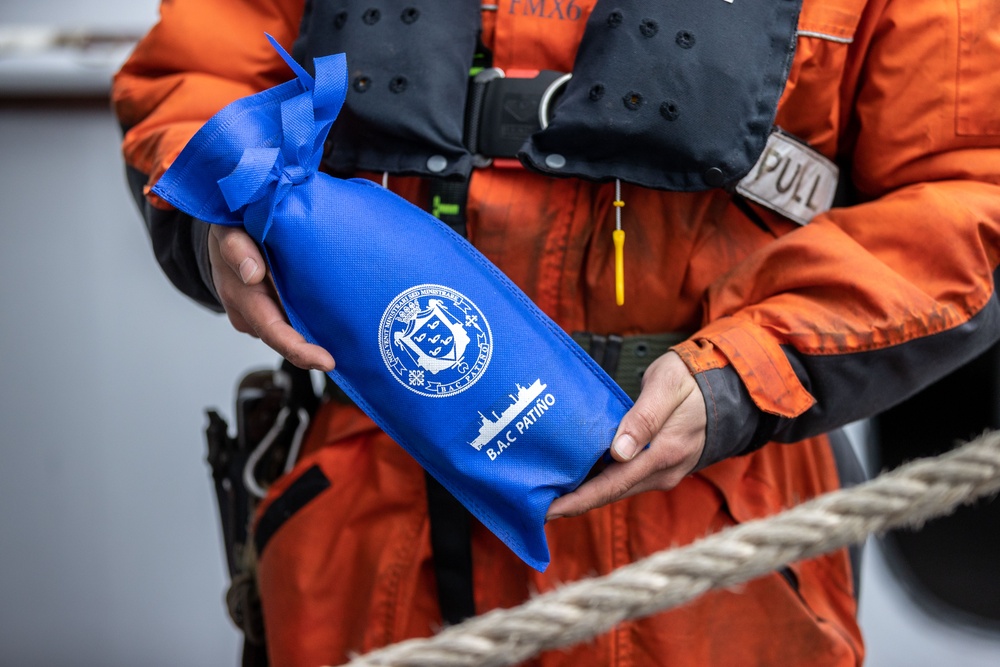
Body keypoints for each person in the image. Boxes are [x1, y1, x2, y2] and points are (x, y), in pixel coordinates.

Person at [112, 1, 1000, 665]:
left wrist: (740, 376)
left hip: (717, 538)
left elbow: (966, 193)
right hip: (370, 507)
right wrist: (215, 214)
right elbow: (198, 76)